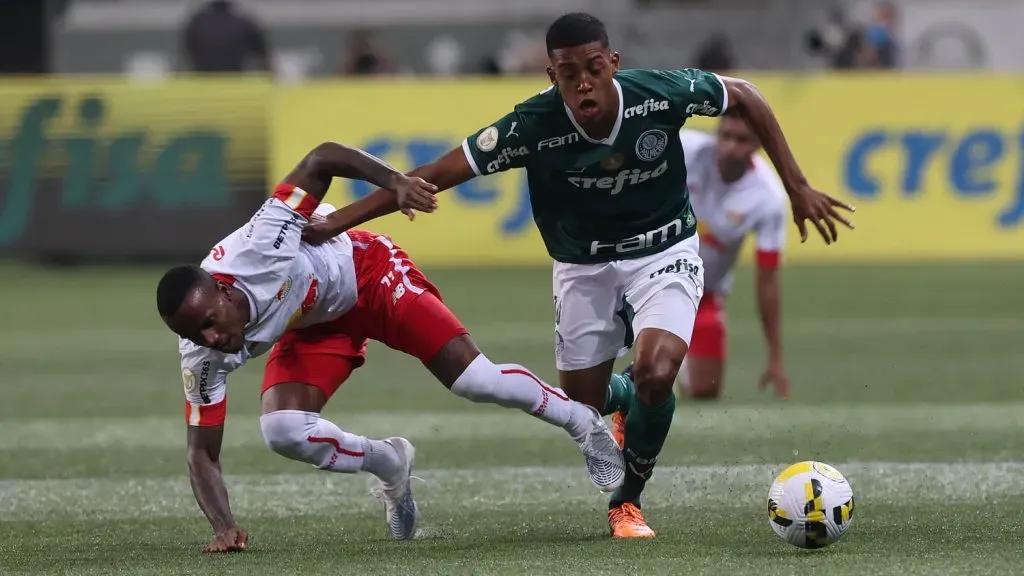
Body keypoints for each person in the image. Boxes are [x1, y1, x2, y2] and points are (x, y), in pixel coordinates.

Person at [301, 12, 855, 538]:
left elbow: (746, 96)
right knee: (584, 402)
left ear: (613, 61)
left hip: (664, 251)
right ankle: (625, 406)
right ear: (552, 75)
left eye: (594, 69)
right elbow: (433, 173)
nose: (584, 84)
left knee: (658, 372)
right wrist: (337, 223)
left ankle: (627, 500)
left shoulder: (658, 94)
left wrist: (795, 183)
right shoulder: (531, 124)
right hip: (583, 267)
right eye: (569, 74)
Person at [157, 141, 625, 553]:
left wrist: (396, 181)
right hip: (313, 321)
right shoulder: (201, 357)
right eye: (195, 335)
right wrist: (224, 526)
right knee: (282, 430)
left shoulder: (261, 245)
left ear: (221, 291)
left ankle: (582, 422)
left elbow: (323, 156)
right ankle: (390, 462)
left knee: (475, 379)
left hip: (368, 275)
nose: (211, 339)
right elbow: (202, 453)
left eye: (211, 324)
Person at [673, 111, 790, 401]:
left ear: (758, 145)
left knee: (705, 390)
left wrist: (774, 356)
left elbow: (767, 281)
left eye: (741, 140)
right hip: (648, 275)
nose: (729, 146)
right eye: (724, 136)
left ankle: (677, 364)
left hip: (705, 292)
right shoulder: (686, 150)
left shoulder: (768, 199)